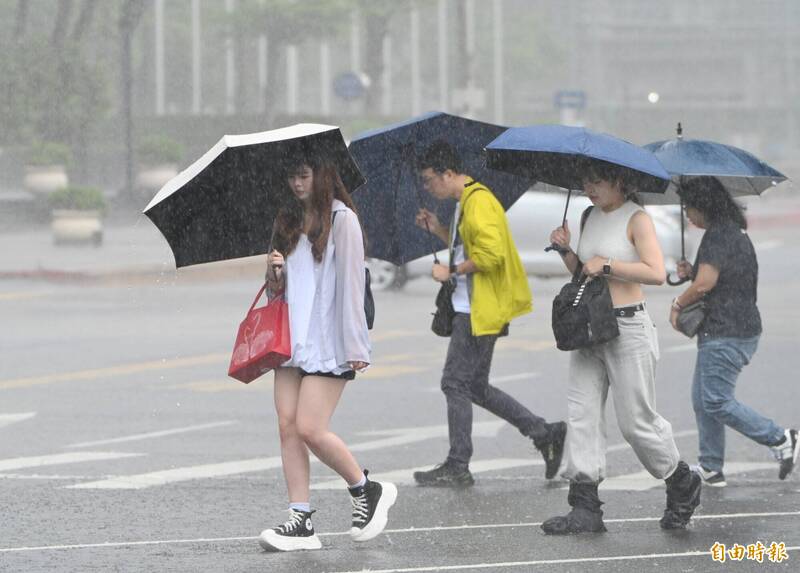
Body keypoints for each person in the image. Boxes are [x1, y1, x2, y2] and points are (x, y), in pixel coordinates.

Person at [542, 161, 701, 535]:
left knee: (636, 423)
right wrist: (567, 252)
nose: (588, 188)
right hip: (589, 325)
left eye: (595, 181)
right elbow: (586, 272)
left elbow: (656, 273)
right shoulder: (587, 216)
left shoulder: (637, 218)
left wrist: (609, 264)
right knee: (582, 414)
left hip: (628, 326)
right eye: (584, 181)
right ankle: (585, 507)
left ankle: (681, 481)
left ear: (618, 181)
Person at [258, 156, 397, 552]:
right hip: (290, 341)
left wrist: (355, 345)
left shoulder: (342, 221)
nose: (297, 184)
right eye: (291, 176)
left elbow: (353, 285)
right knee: (287, 426)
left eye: (304, 176)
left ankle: (366, 489)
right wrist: (275, 274)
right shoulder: (285, 221)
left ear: (322, 177)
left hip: (328, 342)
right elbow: (278, 294)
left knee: (310, 428)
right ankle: (300, 521)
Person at [411, 140, 567, 487]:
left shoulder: (478, 201)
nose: (427, 187)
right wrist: (438, 229)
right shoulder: (467, 201)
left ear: (448, 173)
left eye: (429, 179)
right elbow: (473, 244)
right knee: (475, 387)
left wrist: (450, 272)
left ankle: (458, 464)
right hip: (478, 307)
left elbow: (491, 255)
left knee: (455, 383)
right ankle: (544, 433)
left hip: (479, 309)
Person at [670, 176, 798, 487]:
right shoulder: (729, 234)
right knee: (703, 399)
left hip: (727, 330)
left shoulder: (718, 237)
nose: (687, 214)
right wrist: (692, 272)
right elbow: (716, 279)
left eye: (690, 208)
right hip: (735, 327)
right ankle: (711, 467)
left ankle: (781, 438)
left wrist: (677, 303)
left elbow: (705, 285)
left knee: (714, 400)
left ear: (704, 206)